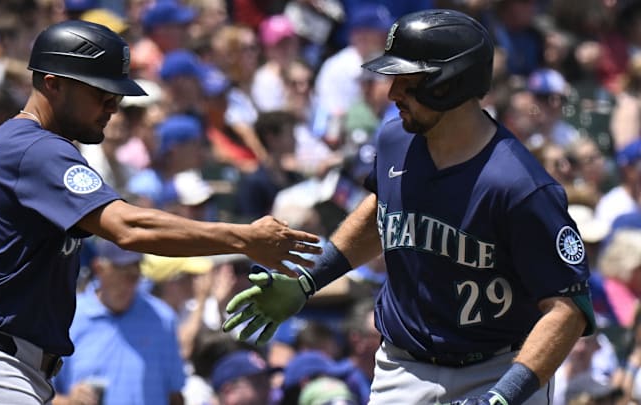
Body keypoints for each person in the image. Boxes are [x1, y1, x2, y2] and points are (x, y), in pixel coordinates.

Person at [0, 20, 321, 405]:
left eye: (117, 93)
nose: (114, 104)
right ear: (53, 85)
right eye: (101, 92)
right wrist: (244, 238)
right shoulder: (38, 150)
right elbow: (128, 227)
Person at [222, 9, 595, 405]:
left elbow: (567, 309)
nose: (393, 92)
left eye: (407, 81)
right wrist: (309, 279)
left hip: (499, 370)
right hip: (403, 367)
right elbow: (383, 212)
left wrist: (503, 396)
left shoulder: (520, 185)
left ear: (448, 84)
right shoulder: (395, 139)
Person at [52, 238, 184, 405]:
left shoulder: (163, 318)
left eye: (136, 271)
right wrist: (69, 401)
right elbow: (41, 392)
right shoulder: (69, 317)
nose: (131, 280)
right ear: (99, 268)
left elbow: (175, 395)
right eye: (123, 270)